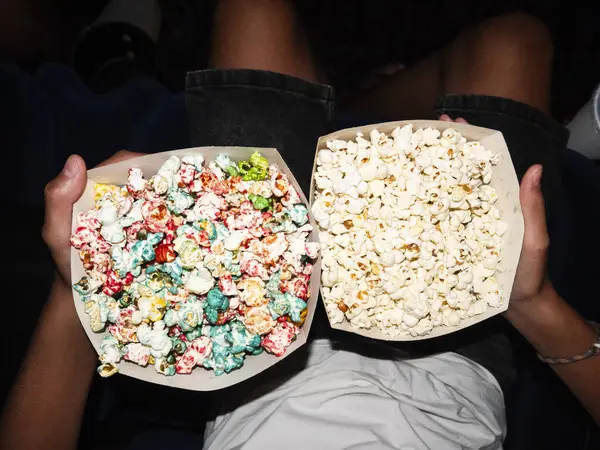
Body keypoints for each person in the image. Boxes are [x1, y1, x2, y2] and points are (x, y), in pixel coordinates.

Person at [1, 1, 599, 449]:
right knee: (516, 38)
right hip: (458, 346)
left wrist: (79, 280)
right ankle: (363, 104)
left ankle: (338, 108)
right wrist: (533, 304)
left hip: (250, 345)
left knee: (253, 10)